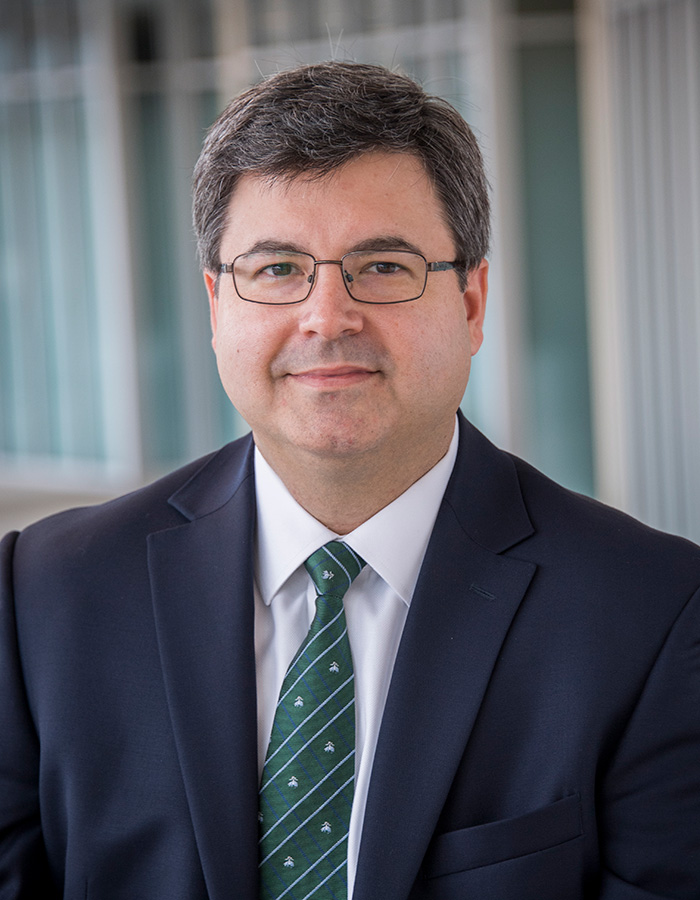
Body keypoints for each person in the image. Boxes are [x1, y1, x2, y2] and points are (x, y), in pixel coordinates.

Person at [0, 61, 698, 900]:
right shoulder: (43, 597)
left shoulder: (654, 612)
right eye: (276, 269)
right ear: (218, 306)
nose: (327, 316)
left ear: (472, 302)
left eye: (384, 266)